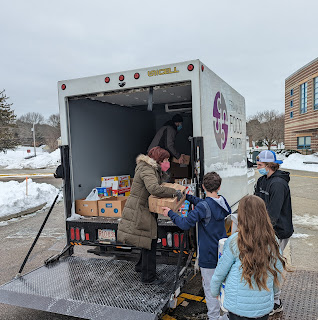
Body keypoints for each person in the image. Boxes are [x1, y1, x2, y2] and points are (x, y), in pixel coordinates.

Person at [162, 172, 231, 320]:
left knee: (211, 287)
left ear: (203, 186)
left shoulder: (203, 207)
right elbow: (207, 203)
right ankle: (225, 314)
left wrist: (170, 213)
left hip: (208, 255)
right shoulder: (222, 201)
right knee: (223, 285)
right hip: (222, 252)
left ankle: (214, 317)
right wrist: (188, 197)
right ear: (219, 187)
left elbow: (185, 224)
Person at [211, 195, 286, 320]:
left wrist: (215, 292)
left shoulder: (235, 241)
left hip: (237, 308)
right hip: (263, 308)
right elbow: (277, 274)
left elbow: (220, 273)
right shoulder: (273, 241)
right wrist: (272, 295)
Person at [117, 146, 183, 285]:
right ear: (158, 160)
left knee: (145, 239)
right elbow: (153, 188)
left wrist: (163, 173)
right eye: (165, 160)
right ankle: (149, 277)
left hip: (141, 208)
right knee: (150, 242)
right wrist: (173, 193)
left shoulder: (148, 168)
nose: (167, 162)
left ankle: (141, 267)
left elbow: (156, 183)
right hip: (140, 210)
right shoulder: (147, 169)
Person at [254, 149, 293, 315]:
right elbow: (256, 203)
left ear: (270, 165)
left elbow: (273, 215)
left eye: (260, 165)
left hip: (278, 231)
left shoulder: (278, 184)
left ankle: (276, 302)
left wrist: (261, 234)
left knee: (274, 266)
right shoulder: (263, 180)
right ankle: (267, 297)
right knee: (266, 265)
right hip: (265, 229)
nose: (258, 167)